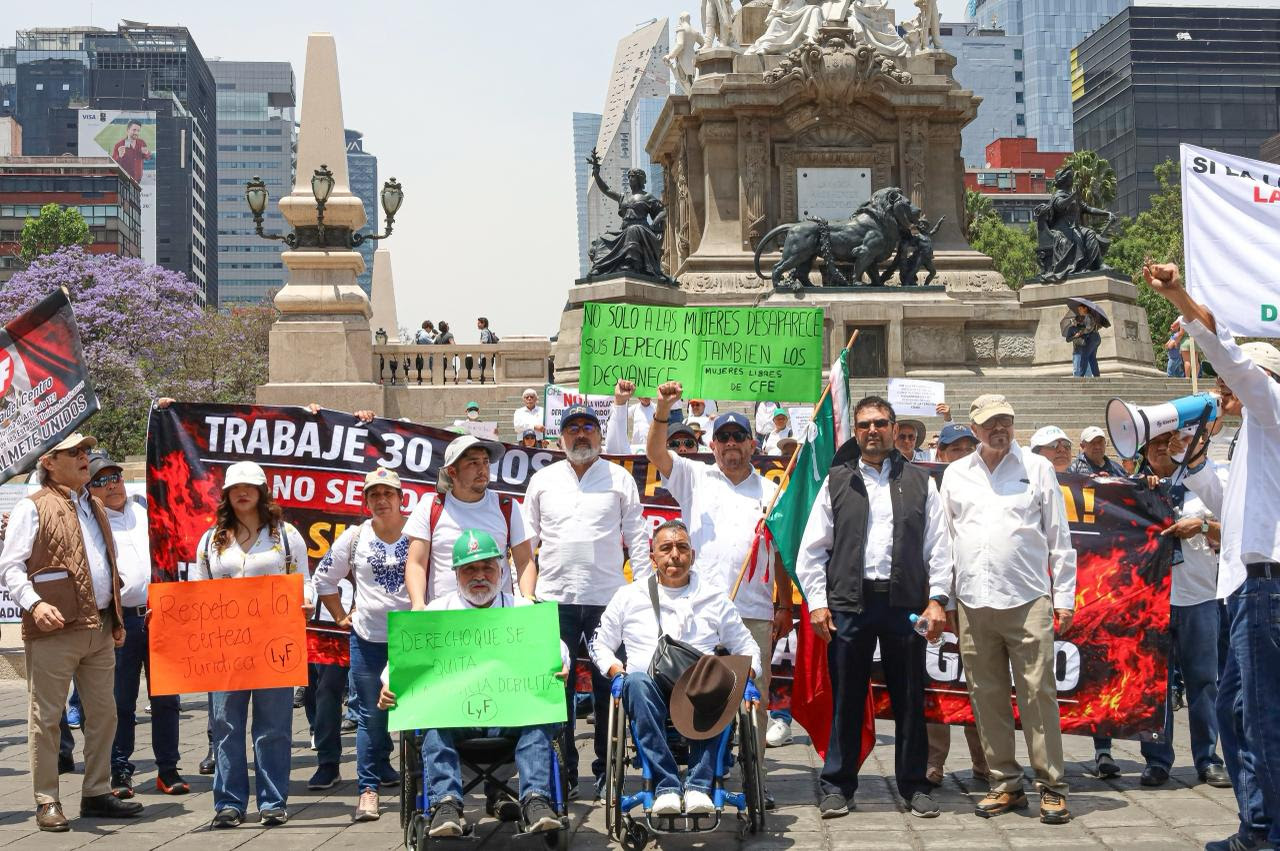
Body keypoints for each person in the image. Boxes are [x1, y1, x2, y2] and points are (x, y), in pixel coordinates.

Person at [1143, 261, 1280, 851]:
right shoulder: (1256, 433)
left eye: (1231, 387)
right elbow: (1233, 501)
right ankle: (1257, 824)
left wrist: (1178, 296)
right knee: (1236, 712)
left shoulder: (1271, 404)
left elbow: (1236, 363)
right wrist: (1190, 462)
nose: (1223, 393)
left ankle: (1270, 831)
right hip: (1246, 586)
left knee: (1261, 720)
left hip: (1264, 587)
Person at [795, 396, 953, 819]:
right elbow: (812, 551)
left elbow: (939, 548)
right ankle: (837, 786)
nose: (872, 430)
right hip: (850, 601)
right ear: (856, 431)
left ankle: (915, 786)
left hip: (904, 603)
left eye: (880, 423)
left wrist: (938, 599)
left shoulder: (922, 482)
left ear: (893, 426)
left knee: (909, 698)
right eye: (864, 424)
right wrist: (816, 602)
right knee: (846, 697)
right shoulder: (836, 482)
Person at [378, 529, 570, 838]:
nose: (479, 576)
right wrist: (388, 686)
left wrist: (562, 665)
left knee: (538, 722)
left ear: (500, 569)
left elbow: (558, 650)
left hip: (510, 718)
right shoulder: (436, 613)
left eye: (486, 567)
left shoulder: (524, 611)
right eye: (469, 569)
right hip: (457, 721)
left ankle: (536, 800)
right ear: (456, 573)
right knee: (434, 723)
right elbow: (397, 666)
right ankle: (446, 805)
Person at [939, 394, 1076, 825]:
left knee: (1039, 695)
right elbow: (944, 542)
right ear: (974, 428)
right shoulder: (955, 473)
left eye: (1005, 420)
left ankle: (1052, 786)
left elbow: (1060, 538)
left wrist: (1065, 598)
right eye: (989, 422)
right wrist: (941, 598)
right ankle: (1005, 784)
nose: (999, 428)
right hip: (973, 601)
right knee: (987, 696)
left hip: (1028, 598)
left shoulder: (1037, 468)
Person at [0, 432, 143, 832]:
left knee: (104, 715)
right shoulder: (33, 508)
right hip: (54, 629)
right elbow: (10, 566)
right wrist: (34, 603)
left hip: (98, 626)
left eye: (85, 451)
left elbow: (106, 565)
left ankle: (96, 792)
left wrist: (114, 617)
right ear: (49, 461)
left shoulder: (94, 504)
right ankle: (47, 799)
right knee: (45, 718)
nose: (85, 457)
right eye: (74, 453)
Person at [646, 388, 793, 775]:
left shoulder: (771, 490)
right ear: (712, 444)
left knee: (754, 695)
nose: (731, 444)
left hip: (754, 609)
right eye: (724, 437)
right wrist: (663, 409)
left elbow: (779, 553)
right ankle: (703, 771)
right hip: (702, 608)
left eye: (738, 437)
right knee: (703, 694)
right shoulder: (695, 476)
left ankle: (754, 775)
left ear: (752, 444)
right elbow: (656, 454)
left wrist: (784, 604)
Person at [589, 520, 762, 816]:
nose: (674, 555)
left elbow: (746, 646)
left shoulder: (713, 597)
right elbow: (599, 643)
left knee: (726, 679)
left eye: (682, 548)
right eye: (666, 548)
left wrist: (748, 676)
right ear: (652, 557)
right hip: (648, 691)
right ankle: (666, 786)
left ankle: (698, 786)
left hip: (701, 691)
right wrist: (615, 671)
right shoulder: (629, 596)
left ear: (692, 556)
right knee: (636, 682)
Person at [523, 403, 652, 799]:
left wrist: (646, 593)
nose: (581, 434)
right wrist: (523, 595)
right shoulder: (542, 480)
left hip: (607, 601)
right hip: (551, 600)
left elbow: (639, 537)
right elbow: (526, 543)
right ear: (560, 437)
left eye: (588, 427)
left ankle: (605, 768)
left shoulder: (619, 479)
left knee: (606, 689)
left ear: (599, 434)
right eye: (573, 428)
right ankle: (561, 772)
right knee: (554, 689)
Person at [1091, 430, 1230, 788]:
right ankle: (1157, 760)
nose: (1162, 452)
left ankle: (1207, 758)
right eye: (1154, 446)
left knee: (1204, 682)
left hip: (1198, 595)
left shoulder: (1209, 482)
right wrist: (1143, 493)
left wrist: (1200, 526)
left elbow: (1230, 530)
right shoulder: (1133, 490)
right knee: (1153, 685)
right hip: (1150, 601)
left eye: (1169, 445)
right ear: (1144, 453)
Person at [192, 461, 312, 828]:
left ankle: (273, 801)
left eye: (250, 486)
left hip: (273, 645)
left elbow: (303, 581)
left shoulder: (287, 536)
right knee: (225, 724)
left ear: (262, 492)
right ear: (226, 494)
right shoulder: (211, 540)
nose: (243, 492)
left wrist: (306, 601)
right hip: (224, 647)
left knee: (274, 725)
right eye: (235, 487)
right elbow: (199, 591)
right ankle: (228, 803)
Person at [312, 466, 410, 821]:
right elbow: (324, 579)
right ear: (366, 501)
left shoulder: (418, 533)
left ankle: (426, 785)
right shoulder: (355, 537)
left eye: (388, 494)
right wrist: (340, 616)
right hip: (368, 639)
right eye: (374, 495)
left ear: (402, 499)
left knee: (422, 715)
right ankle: (367, 790)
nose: (381, 500)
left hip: (414, 639)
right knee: (370, 717)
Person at [86, 452, 186, 800]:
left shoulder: (146, 509)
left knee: (166, 698)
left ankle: (168, 768)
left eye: (114, 476)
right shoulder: (90, 524)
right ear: (89, 489)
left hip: (160, 616)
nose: (111, 483)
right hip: (121, 621)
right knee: (120, 702)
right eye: (100, 479)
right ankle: (119, 771)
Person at [922, 424, 989, 786]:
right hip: (937, 594)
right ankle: (934, 762)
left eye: (968, 447)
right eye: (954, 448)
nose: (962, 454)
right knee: (937, 679)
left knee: (981, 679)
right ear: (940, 454)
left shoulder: (987, 483)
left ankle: (985, 761)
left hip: (978, 596)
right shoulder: (927, 487)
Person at [404, 435, 533, 608]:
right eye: (473, 463)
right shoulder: (430, 507)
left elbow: (524, 561)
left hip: (500, 621)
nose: (482, 469)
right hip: (446, 620)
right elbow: (416, 563)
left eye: (485, 462)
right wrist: (418, 604)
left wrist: (528, 597)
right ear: (452, 472)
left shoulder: (508, 507)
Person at [1066, 304, 1102, 378]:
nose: (1079, 311)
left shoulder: (1088, 316)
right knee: (1092, 358)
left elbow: (1088, 328)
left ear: (1085, 308)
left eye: (1080, 309)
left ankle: (1081, 376)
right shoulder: (1089, 317)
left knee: (1084, 356)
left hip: (1092, 338)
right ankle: (1097, 375)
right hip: (1096, 338)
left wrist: (1081, 332)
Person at [474, 316, 498, 384]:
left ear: (483, 323)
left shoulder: (484, 331)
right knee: (488, 373)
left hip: (485, 356)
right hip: (489, 356)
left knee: (484, 374)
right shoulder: (488, 331)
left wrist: (479, 345)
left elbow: (484, 341)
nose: (477, 325)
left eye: (479, 323)